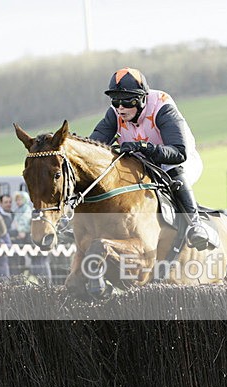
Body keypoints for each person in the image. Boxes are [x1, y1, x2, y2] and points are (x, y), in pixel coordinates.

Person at [89, 67, 215, 251]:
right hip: (142, 163)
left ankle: (195, 224)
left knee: (173, 172)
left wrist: (143, 147)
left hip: (177, 160)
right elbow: (94, 146)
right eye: (115, 101)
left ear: (142, 98)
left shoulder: (162, 107)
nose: (120, 107)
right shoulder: (115, 112)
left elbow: (179, 152)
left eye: (126, 101)